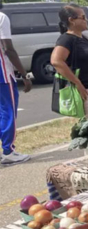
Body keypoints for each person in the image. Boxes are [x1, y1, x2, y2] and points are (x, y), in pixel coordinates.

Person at [51, 4, 88, 118]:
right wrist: (77, 83)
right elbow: (56, 61)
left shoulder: (82, 38)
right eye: (83, 17)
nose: (86, 20)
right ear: (71, 20)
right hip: (85, 91)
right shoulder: (66, 39)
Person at [0, 1, 32, 165]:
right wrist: (25, 74)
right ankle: (8, 151)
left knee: (2, 111)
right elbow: (8, 49)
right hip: (2, 72)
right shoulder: (1, 17)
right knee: (8, 110)